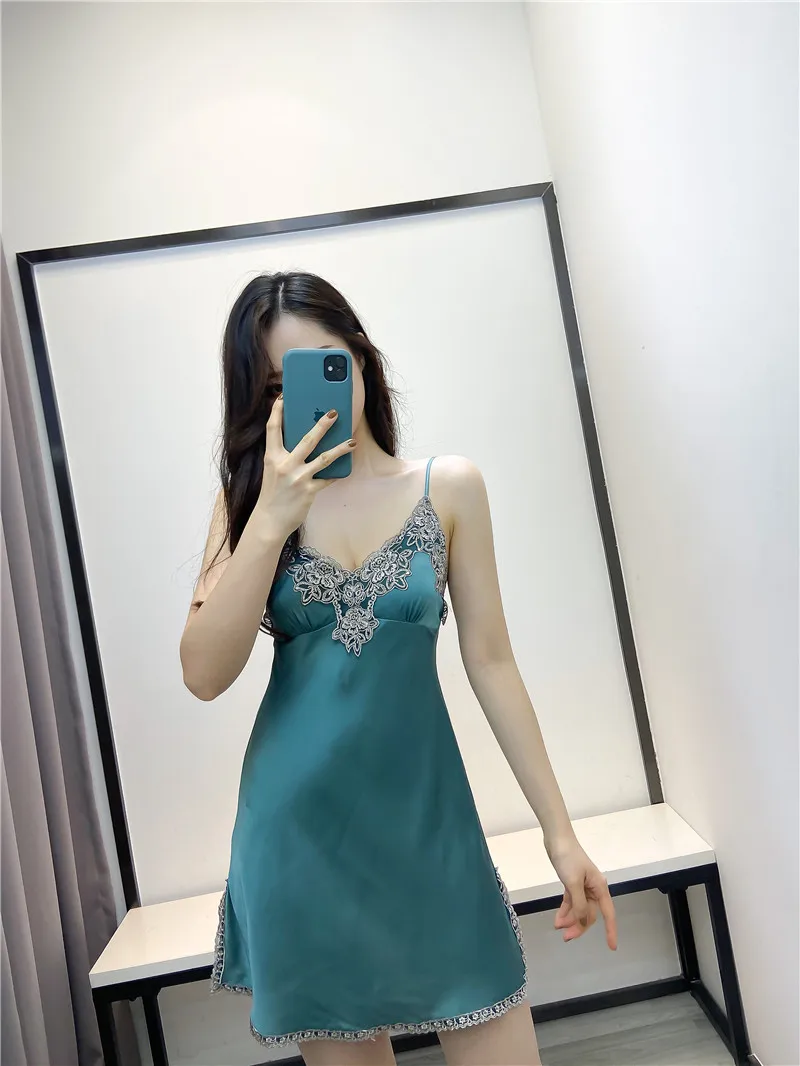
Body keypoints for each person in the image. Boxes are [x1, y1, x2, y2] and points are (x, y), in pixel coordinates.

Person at [180, 272, 617, 1066]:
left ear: (360, 359)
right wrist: (272, 519)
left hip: (428, 825)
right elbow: (205, 673)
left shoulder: (448, 487)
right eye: (276, 387)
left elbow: (492, 662)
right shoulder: (243, 507)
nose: (307, 397)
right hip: (299, 839)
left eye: (323, 366)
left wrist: (561, 835)